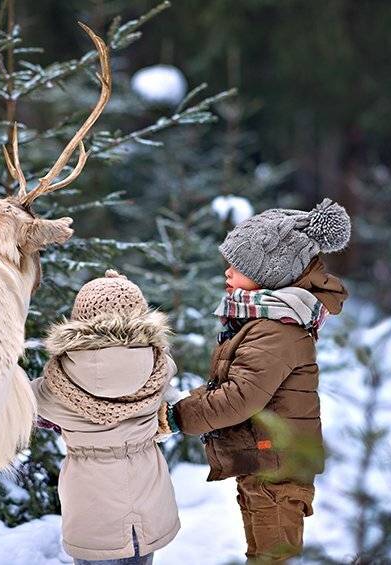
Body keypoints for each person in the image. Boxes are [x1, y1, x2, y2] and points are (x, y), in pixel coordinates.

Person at [158, 198, 350, 562]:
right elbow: (230, 387)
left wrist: (177, 416)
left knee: (272, 557)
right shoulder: (266, 323)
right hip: (267, 463)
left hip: (277, 470)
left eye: (238, 266)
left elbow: (238, 398)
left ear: (270, 276)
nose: (227, 273)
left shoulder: (276, 329)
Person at [31, 270, 180, 565]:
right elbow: (174, 412)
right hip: (148, 503)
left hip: (91, 512)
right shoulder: (159, 368)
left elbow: (21, 405)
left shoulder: (55, 384)